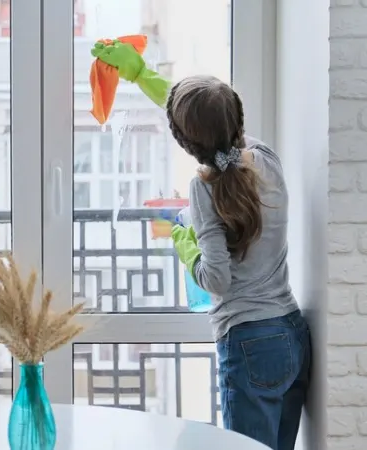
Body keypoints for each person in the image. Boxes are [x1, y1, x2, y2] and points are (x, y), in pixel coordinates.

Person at [92, 42, 311, 450]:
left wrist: (185, 244)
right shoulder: (265, 157)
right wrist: (142, 76)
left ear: (184, 140)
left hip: (248, 342)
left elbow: (217, 278)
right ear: (238, 117)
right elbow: (210, 122)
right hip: (291, 334)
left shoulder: (204, 187)